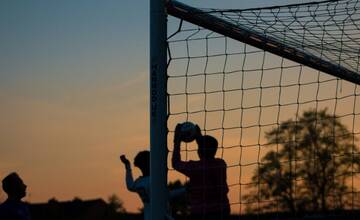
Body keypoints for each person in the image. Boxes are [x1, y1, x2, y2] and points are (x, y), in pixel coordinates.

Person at [172, 124, 230, 220]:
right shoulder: (221, 164)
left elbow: (176, 163)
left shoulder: (194, 168)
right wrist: (199, 137)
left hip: (200, 212)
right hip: (222, 210)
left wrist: (177, 141)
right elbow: (206, 150)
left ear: (198, 151)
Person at [120, 151, 183, 220]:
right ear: (150, 163)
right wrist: (185, 190)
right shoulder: (154, 181)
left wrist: (127, 166)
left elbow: (130, 186)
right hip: (162, 217)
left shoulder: (139, 183)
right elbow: (167, 195)